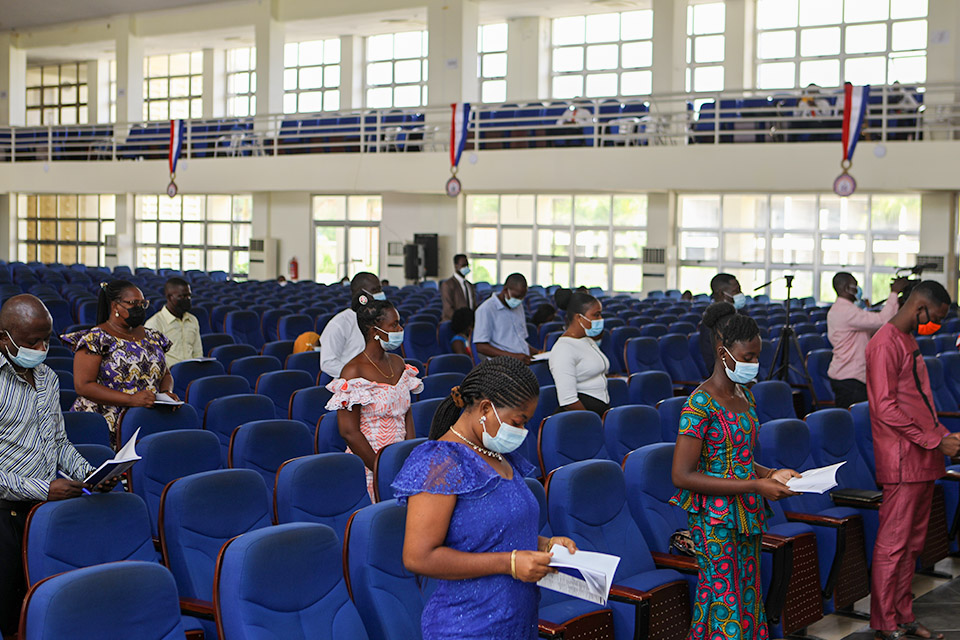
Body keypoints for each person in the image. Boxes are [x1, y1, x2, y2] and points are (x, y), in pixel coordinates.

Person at [393, 357, 577, 640]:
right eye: (518, 422)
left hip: (516, 619)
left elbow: (494, 532)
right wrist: (509, 563)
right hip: (468, 625)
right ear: (486, 409)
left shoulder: (499, 454)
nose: (522, 431)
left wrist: (546, 544)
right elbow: (418, 557)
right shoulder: (440, 462)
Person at [671, 302, 800, 640]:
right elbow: (681, 475)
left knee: (746, 595)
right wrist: (756, 486)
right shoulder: (699, 405)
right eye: (747, 358)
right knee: (724, 602)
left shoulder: (745, 396)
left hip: (746, 511)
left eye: (757, 357)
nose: (753, 364)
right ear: (722, 351)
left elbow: (741, 458)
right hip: (714, 517)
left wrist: (771, 472)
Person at [0, 295, 117, 635]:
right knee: (11, 611)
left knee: (48, 605)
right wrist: (43, 488)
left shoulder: (48, 378)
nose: (40, 347)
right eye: (30, 341)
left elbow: (59, 443)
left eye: (46, 339)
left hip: (44, 512)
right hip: (5, 514)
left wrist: (90, 474)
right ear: (3, 338)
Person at [865, 281, 960, 640]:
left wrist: (944, 436)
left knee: (913, 544)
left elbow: (919, 402)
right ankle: (885, 621)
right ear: (919, 306)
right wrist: (936, 440)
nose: (934, 324)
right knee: (894, 545)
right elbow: (884, 407)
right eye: (934, 317)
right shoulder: (884, 343)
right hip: (902, 460)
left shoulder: (907, 341)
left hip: (922, 458)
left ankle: (903, 615)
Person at [325, 294, 422, 497]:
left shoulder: (398, 363)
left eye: (399, 324)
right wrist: (381, 469)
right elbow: (349, 432)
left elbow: (406, 414)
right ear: (374, 331)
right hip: (370, 464)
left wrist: (410, 456)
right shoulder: (353, 371)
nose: (400, 330)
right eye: (394, 325)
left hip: (401, 461)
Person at [63, 281, 175, 448]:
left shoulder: (153, 337)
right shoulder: (96, 339)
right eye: (133, 303)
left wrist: (166, 392)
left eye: (142, 303)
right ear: (115, 306)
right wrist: (130, 400)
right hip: (104, 423)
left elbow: (165, 373)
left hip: (146, 417)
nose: (139, 308)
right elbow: (83, 386)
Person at [827, 273, 906, 408]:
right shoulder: (845, 312)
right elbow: (882, 320)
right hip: (849, 378)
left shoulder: (848, 310)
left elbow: (880, 325)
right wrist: (894, 293)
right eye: (855, 285)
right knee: (854, 422)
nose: (858, 289)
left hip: (851, 376)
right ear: (847, 288)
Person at [549, 292, 609, 416]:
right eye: (596, 315)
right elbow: (568, 401)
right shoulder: (563, 349)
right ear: (579, 318)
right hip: (581, 417)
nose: (600, 319)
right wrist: (593, 421)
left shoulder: (587, 340)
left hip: (598, 412)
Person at [319, 272, 384, 379]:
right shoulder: (340, 323)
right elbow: (328, 362)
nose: (380, 294)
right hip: (351, 385)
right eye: (375, 290)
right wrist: (358, 374)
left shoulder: (378, 320)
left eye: (380, 289)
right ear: (361, 295)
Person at [473, 273, 539, 364]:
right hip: (501, 365)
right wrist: (513, 357)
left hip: (522, 362)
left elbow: (519, 340)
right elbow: (481, 346)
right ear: (505, 290)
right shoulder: (486, 309)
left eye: (522, 297)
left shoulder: (519, 307)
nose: (519, 300)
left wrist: (537, 353)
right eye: (517, 296)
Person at [144, 276, 202, 367]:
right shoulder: (154, 324)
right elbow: (153, 360)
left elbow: (198, 352)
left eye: (189, 296)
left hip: (192, 372)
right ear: (169, 297)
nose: (187, 299)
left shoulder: (193, 320)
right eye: (182, 296)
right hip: (169, 376)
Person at [698, 273, 746, 373]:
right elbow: (713, 362)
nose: (740, 294)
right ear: (721, 294)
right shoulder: (710, 323)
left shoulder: (743, 315)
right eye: (736, 291)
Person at [440, 254, 477, 322]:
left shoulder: (469, 285)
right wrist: (462, 322)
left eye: (467, 265)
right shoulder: (447, 285)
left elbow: (473, 306)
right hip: (454, 323)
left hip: (470, 324)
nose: (466, 268)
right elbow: (448, 309)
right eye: (463, 265)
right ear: (456, 266)